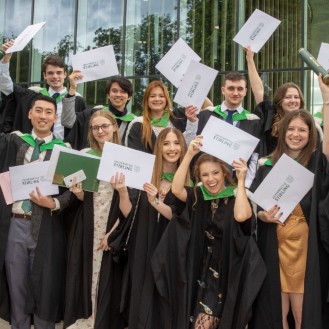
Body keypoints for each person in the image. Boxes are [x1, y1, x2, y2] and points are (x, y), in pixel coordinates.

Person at [151, 136, 266, 329]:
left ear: (224, 173)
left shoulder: (236, 195)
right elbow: (177, 189)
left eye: (215, 173)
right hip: (198, 269)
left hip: (226, 271)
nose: (211, 179)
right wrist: (189, 155)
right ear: (199, 177)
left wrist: (240, 181)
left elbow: (242, 216)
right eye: (205, 175)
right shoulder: (198, 195)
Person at [249, 77, 329, 329]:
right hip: (274, 244)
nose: (296, 134)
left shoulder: (316, 164)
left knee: (304, 314)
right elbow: (256, 208)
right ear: (283, 133)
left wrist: (327, 99)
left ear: (310, 135)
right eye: (291, 129)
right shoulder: (266, 166)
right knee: (275, 314)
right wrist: (262, 216)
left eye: (302, 130)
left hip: (306, 248)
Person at [105, 127, 190, 329]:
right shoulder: (144, 175)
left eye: (176, 143)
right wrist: (123, 192)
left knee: (166, 302)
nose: (171, 148)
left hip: (172, 250)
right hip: (143, 245)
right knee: (141, 300)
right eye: (166, 143)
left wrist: (156, 202)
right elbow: (127, 213)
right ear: (158, 147)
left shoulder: (190, 180)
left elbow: (182, 218)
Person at [0, 95, 72, 328]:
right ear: (29, 114)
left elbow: (72, 191)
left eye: (48, 112)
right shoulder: (14, 142)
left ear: (55, 117)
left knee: (45, 287)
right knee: (16, 284)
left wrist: (56, 203)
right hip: (16, 223)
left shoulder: (64, 150)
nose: (43, 116)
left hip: (48, 228)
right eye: (38, 111)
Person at [63, 110, 129, 328]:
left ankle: (103, 321)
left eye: (104, 126)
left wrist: (113, 233)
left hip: (114, 223)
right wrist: (77, 191)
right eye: (95, 127)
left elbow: (132, 204)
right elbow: (85, 198)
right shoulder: (85, 155)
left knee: (108, 275)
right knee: (88, 271)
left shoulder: (126, 157)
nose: (100, 131)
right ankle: (88, 319)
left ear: (114, 127)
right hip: (89, 223)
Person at [244, 46, 324, 157]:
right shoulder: (270, 116)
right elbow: (258, 90)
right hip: (271, 168)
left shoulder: (308, 122)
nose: (293, 100)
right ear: (279, 101)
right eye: (288, 97)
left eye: (296, 97)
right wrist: (250, 59)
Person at [0, 40, 87, 139]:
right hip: (34, 149)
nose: (55, 76)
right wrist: (6, 58)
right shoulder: (31, 96)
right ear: (44, 75)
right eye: (50, 73)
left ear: (65, 74)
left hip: (63, 149)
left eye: (59, 72)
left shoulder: (77, 101)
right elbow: (5, 85)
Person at [196, 71, 262, 188]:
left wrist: (245, 185)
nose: (235, 93)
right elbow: (196, 149)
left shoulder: (253, 121)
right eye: (231, 88)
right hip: (208, 183)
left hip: (237, 184)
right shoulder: (207, 115)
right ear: (223, 90)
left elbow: (254, 157)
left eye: (240, 89)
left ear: (245, 92)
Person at [62, 74, 135, 150]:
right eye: (114, 91)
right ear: (108, 95)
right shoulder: (91, 114)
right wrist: (72, 89)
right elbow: (68, 122)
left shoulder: (134, 123)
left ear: (129, 96)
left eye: (123, 91)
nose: (118, 95)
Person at [125, 80, 198, 153]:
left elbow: (186, 147)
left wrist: (192, 122)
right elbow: (136, 156)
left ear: (166, 99)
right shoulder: (138, 125)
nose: (157, 99)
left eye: (161, 96)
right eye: (152, 96)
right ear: (146, 100)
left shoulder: (177, 119)